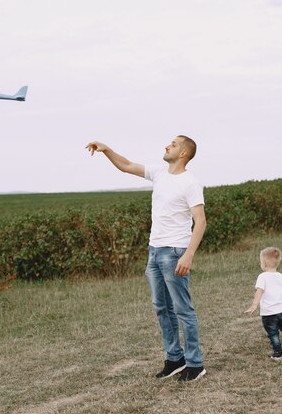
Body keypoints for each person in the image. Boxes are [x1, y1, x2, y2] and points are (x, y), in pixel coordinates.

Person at [86, 136, 207, 382]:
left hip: (175, 252)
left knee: (183, 310)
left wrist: (189, 254)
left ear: (184, 153)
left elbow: (201, 221)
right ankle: (175, 359)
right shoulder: (159, 173)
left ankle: (195, 364)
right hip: (154, 251)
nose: (166, 146)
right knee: (162, 308)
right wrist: (107, 150)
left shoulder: (190, 183)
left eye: (173, 144)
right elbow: (127, 165)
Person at [245, 247, 282, 360]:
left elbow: (259, 291)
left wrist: (254, 305)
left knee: (272, 332)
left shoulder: (262, 277)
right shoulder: (281, 276)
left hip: (269, 312)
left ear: (264, 264)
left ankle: (278, 353)